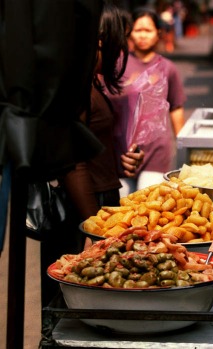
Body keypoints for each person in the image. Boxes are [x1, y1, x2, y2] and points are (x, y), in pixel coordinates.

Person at [40, 2, 144, 307]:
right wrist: (93, 227)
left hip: (98, 203)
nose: (123, 50)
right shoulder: (76, 86)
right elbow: (72, 163)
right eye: (120, 40)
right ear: (100, 40)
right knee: (70, 302)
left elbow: (87, 146)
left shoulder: (89, 81)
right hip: (84, 210)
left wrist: (117, 164)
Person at [108, 7, 186, 198]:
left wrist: (184, 150)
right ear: (129, 33)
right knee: (121, 208)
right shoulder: (116, 64)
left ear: (158, 34)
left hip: (156, 153)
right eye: (138, 30)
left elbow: (176, 108)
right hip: (120, 152)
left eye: (148, 30)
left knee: (149, 205)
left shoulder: (168, 68)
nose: (143, 35)